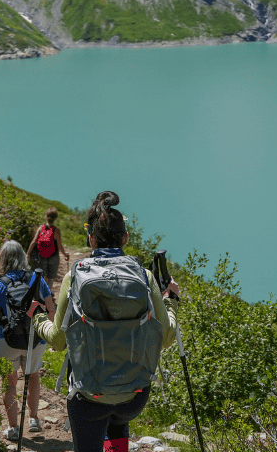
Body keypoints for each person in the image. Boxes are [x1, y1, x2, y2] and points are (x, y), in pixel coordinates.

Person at [32, 191, 179, 452]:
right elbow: (166, 338)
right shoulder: (145, 276)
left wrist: (38, 317)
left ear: (91, 239)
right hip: (133, 396)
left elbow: (58, 341)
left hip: (90, 396)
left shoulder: (75, 277)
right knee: (117, 427)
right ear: (125, 238)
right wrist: (171, 302)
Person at [0, 239, 55, 441]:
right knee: (33, 376)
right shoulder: (37, 278)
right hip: (35, 338)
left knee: (10, 383)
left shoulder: (0, 283)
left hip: (7, 339)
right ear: (23, 256)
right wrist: (52, 336)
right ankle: (34, 419)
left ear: (3, 259)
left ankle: (13, 428)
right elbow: (51, 308)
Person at [26, 207, 70, 281]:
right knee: (51, 278)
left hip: (42, 255)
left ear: (46, 216)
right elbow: (60, 246)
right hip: (53, 256)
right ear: (55, 218)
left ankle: (42, 287)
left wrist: (28, 253)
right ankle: (48, 288)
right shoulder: (56, 230)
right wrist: (65, 255)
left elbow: (33, 242)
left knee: (42, 276)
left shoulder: (41, 228)